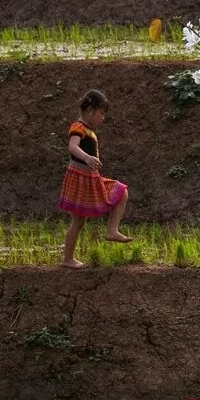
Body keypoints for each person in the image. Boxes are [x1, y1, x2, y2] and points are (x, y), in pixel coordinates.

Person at [58, 89, 131, 268]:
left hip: (91, 177)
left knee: (121, 192)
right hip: (79, 177)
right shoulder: (78, 127)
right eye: (101, 113)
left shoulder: (89, 131)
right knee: (78, 221)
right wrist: (87, 158)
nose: (102, 118)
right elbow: (73, 147)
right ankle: (68, 259)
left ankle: (112, 230)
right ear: (90, 111)